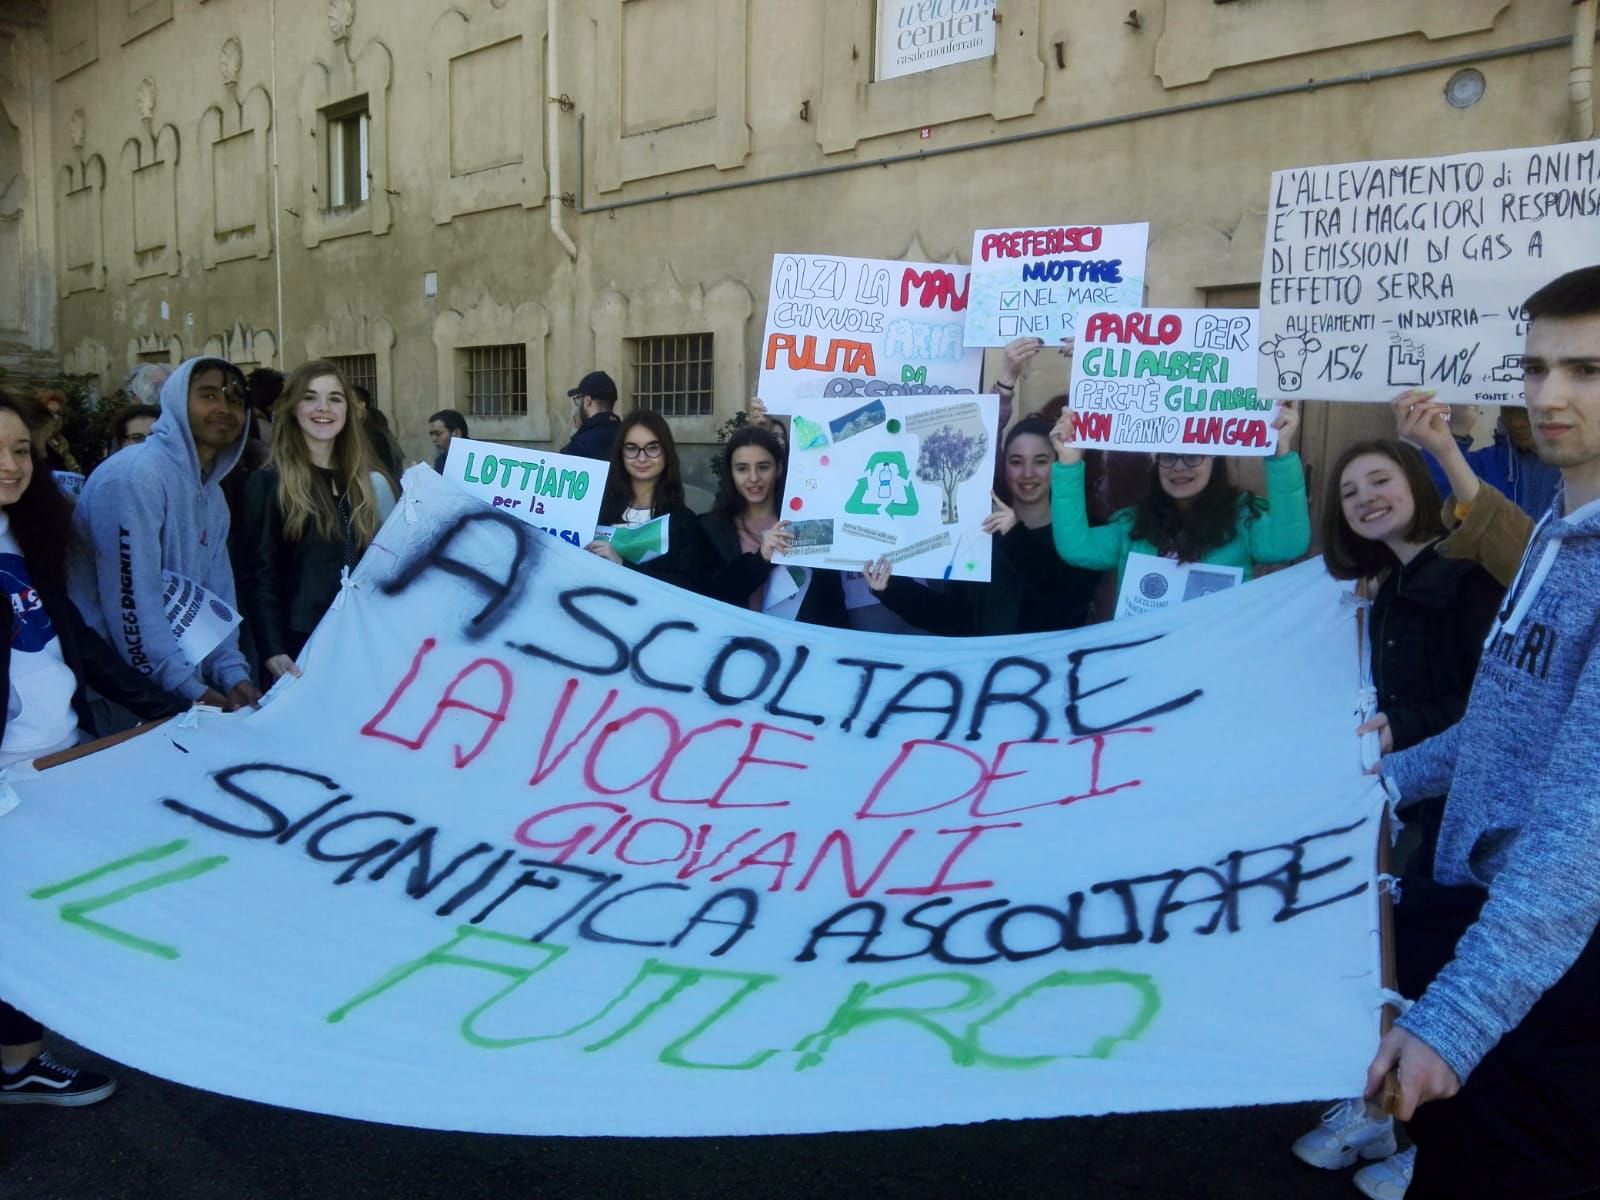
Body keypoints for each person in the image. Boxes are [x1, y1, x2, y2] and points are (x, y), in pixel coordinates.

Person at [1365, 265, 1600, 1199]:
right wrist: (1383, 780)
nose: (1550, 397)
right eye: (1536, 367)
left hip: (1553, 966)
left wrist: (1458, 1019)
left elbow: (1585, 821)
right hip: (1489, 921)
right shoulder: (1557, 526)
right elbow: (1507, 723)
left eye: (1587, 370)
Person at [1291, 436, 1503, 1194]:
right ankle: (1387, 1108)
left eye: (1379, 480)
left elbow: (1496, 704)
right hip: (1409, 803)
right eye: (1350, 492)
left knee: (1442, 962)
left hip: (1467, 816)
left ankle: (1438, 1139)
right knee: (1395, 954)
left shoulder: (1468, 578)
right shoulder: (1385, 589)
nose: (1365, 499)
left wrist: (1404, 726)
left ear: (1414, 482)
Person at [0, 391, 185, 1107]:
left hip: (57, 770)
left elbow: (78, 648)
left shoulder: (28, 536)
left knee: (38, 928)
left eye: (21, 450)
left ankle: (20, 1063)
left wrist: (176, 710)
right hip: (10, 783)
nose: (12, 465)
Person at [68, 357, 260, 713]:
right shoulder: (135, 477)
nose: (224, 408)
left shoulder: (213, 494)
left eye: (235, 400)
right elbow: (133, 601)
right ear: (175, 402)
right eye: (208, 395)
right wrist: (188, 689)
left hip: (178, 687)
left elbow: (215, 593)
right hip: (117, 692)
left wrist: (233, 675)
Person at [865, 417, 1103, 634]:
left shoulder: (1084, 535)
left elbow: (1067, 605)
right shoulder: (978, 530)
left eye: (1040, 461)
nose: (1028, 473)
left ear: (1056, 464)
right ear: (1004, 468)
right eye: (1016, 462)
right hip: (983, 675)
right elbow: (953, 620)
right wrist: (891, 589)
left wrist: (1015, 536)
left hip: (1046, 676)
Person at [240, 362, 396, 683]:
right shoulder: (269, 483)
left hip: (360, 639)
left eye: (335, 398)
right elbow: (258, 574)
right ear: (293, 408)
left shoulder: (365, 483)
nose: (323, 408)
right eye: (311, 397)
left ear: (348, 411)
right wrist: (273, 649)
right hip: (299, 647)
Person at [1048, 400, 1309, 591]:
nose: (1180, 467)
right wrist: (1069, 464)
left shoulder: (1242, 524)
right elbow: (1077, 547)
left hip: (1219, 662)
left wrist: (1280, 455)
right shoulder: (1132, 527)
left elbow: (1289, 543)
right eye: (1169, 456)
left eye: (1193, 455)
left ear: (1214, 459)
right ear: (1156, 462)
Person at [697, 425, 846, 625]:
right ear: (731, 473)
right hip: (735, 648)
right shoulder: (711, 529)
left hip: (801, 650)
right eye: (742, 468)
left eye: (763, 467)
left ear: (779, 468)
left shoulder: (810, 525)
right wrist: (760, 560)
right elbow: (706, 600)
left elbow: (831, 606)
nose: (753, 478)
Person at [585, 409, 699, 590]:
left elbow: (686, 587)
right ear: (620, 454)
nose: (642, 458)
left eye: (653, 447)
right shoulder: (597, 512)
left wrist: (623, 566)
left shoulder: (684, 522)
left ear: (666, 452)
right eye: (632, 448)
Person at [1416, 394, 1561, 521]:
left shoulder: (1580, 468)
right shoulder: (1485, 463)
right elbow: (1426, 496)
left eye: (1527, 410)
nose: (1516, 422)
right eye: (1509, 409)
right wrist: (1455, 435)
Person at [561, 371, 621, 461]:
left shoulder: (579, 446)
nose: (577, 405)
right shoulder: (627, 436)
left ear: (587, 401)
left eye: (578, 399)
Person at [428, 409, 468, 473]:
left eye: (438, 434)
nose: (433, 439)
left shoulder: (480, 456)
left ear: (456, 433)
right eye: (431, 434)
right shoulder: (440, 461)